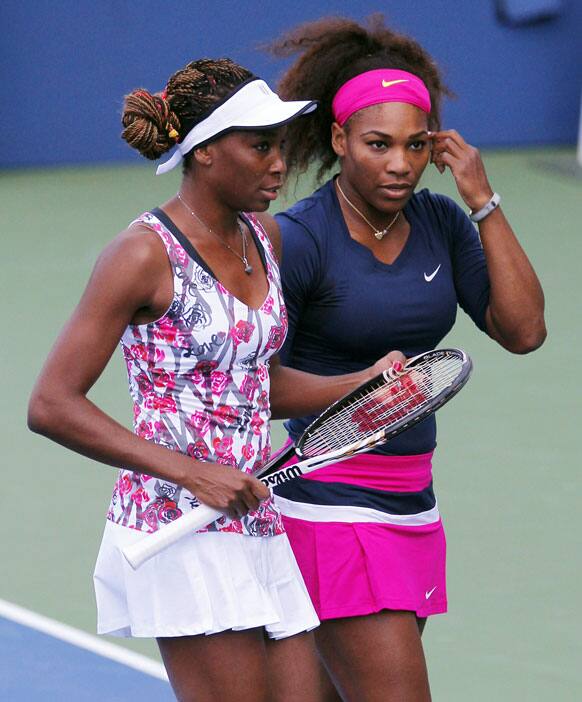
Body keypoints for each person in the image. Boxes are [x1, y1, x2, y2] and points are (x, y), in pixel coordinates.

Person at [26, 57, 402, 702]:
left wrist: (359, 385)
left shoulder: (265, 238)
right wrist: (191, 471)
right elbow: (51, 404)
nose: (279, 163)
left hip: (254, 516)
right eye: (260, 146)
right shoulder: (142, 253)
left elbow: (256, 387)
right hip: (180, 523)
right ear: (203, 153)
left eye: (280, 146)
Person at [262, 16, 547, 702]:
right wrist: (357, 385)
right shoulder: (299, 240)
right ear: (339, 139)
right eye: (378, 145)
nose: (400, 164)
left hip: (413, 505)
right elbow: (256, 385)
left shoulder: (444, 224)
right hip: (328, 508)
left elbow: (524, 329)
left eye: (416, 146)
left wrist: (482, 200)